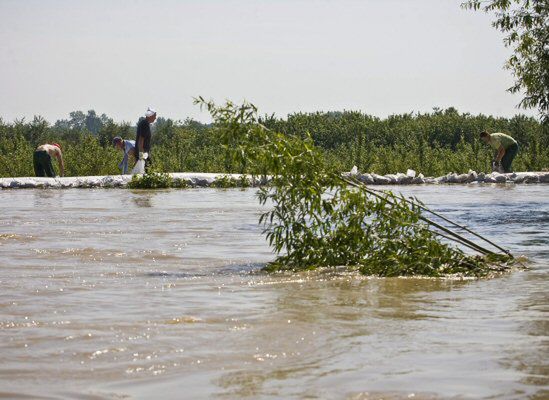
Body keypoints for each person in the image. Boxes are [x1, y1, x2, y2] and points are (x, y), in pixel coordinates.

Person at [135, 107, 156, 172]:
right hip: (143, 153)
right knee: (149, 170)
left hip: (143, 152)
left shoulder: (144, 123)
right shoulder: (145, 124)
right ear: (150, 116)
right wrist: (141, 156)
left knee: (145, 170)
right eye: (155, 116)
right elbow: (141, 140)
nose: (155, 118)